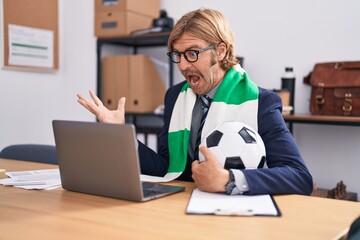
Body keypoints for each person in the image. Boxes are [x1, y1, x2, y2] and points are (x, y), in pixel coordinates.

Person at [77, 8, 313, 195]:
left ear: (220, 51)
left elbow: (299, 177)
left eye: (192, 53)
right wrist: (121, 135)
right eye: (177, 55)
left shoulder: (262, 102)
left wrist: (228, 181)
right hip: (181, 206)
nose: (182, 65)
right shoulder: (175, 96)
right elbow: (166, 167)